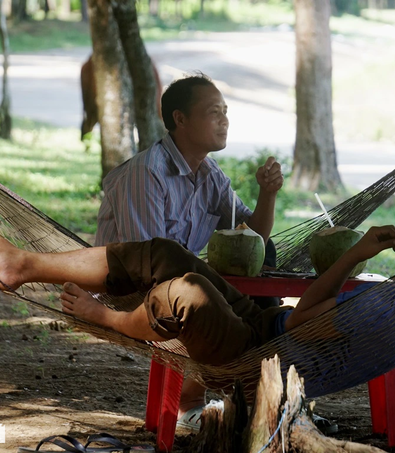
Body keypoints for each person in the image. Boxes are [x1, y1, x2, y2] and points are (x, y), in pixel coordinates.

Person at [0, 195, 395, 367]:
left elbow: (300, 324)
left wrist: (353, 261)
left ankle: (105, 316)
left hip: (256, 353)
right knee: (167, 253)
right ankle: (24, 265)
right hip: (262, 324)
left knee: (185, 296)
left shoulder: (391, 309)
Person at [69, 73, 284, 429]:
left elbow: (255, 238)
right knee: (209, 299)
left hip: (179, 283)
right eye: (214, 112)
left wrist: (268, 193)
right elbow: (150, 261)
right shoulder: (146, 174)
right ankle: (193, 404)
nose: (225, 120)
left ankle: (263, 396)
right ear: (180, 119)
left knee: (266, 257)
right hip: (129, 292)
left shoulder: (210, 174)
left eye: (226, 111)